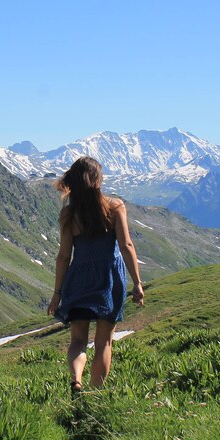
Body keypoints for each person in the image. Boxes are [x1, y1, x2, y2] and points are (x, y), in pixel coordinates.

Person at [47, 156, 144, 395]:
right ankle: (95, 394)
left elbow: (63, 257)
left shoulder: (69, 215)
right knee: (104, 342)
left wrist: (57, 293)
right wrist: (138, 283)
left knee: (78, 341)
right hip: (109, 280)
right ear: (97, 179)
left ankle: (76, 379)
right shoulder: (114, 207)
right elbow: (126, 246)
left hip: (78, 279)